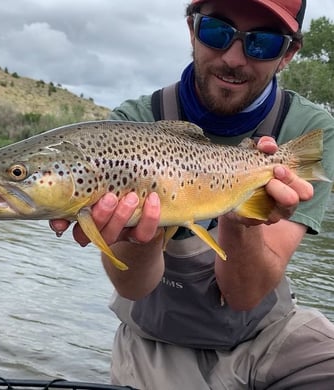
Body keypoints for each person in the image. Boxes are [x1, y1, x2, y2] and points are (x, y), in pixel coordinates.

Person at [51, 0, 334, 388]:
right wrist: (139, 239)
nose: (234, 58)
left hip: (269, 333)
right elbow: (133, 287)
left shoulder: (307, 130)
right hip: (158, 341)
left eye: (262, 43)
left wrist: (244, 219)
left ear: (288, 54)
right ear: (191, 29)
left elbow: (244, 295)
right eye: (216, 32)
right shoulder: (128, 127)